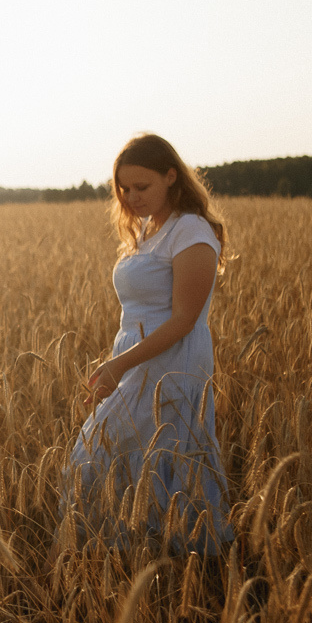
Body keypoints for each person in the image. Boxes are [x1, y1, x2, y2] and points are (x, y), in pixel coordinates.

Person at [61, 134, 234, 555]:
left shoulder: (191, 230)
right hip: (136, 360)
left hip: (172, 365)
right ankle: (129, 568)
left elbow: (184, 319)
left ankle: (190, 569)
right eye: (124, 188)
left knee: (141, 464)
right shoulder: (146, 229)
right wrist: (118, 362)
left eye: (142, 187)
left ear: (171, 176)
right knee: (116, 464)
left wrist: (119, 366)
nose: (131, 197)